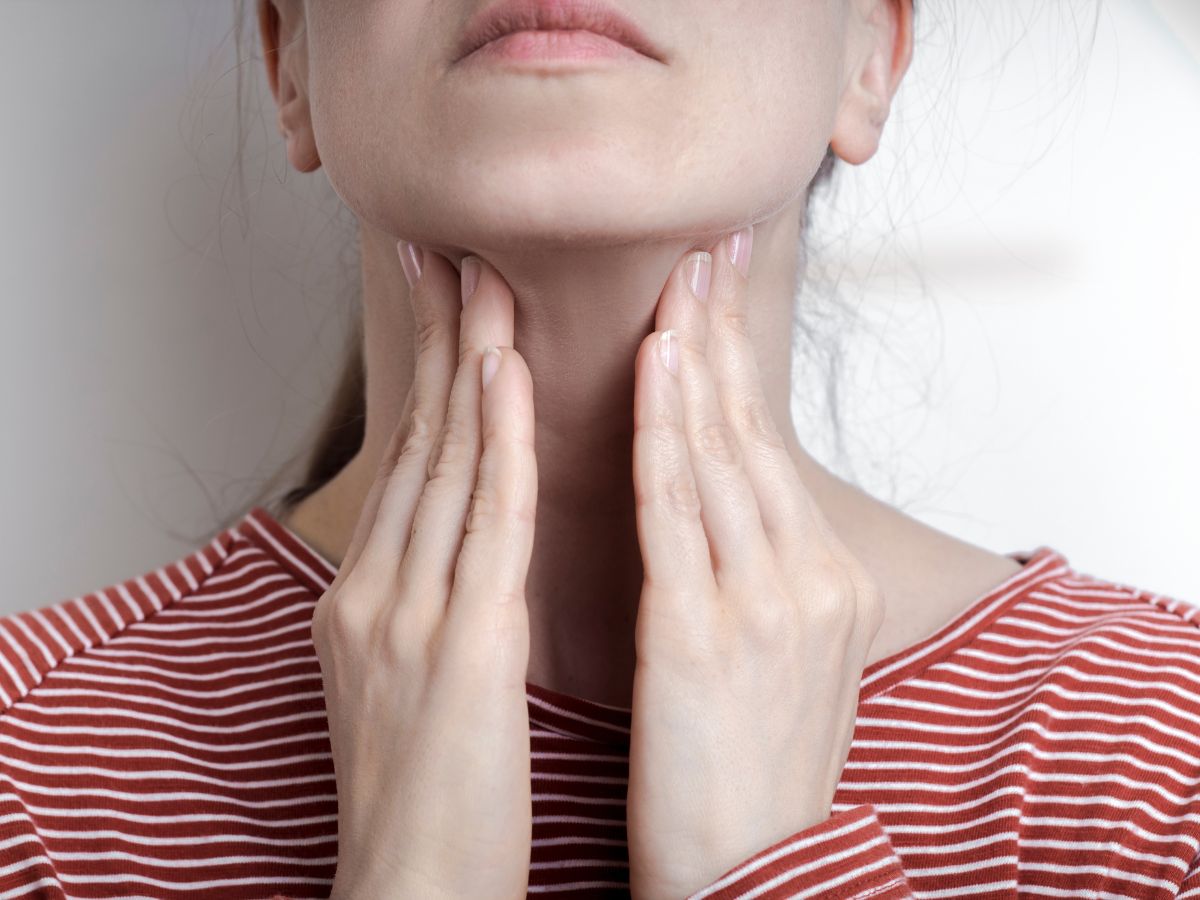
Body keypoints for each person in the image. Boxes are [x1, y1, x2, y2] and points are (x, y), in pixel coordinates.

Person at [2, 0, 1199, 898]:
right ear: (288, 53)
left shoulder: (1167, 764)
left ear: (871, 53)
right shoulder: (27, 773)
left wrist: (768, 869)